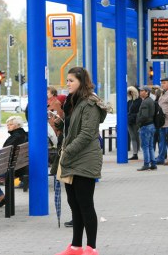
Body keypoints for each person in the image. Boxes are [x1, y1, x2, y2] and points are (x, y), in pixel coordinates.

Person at [55, 67, 110, 255]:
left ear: (81, 81)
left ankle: (91, 248)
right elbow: (73, 127)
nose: (67, 84)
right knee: (73, 202)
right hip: (71, 157)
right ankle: (75, 246)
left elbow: (87, 133)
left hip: (85, 158)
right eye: (67, 81)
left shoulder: (90, 104)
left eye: (71, 80)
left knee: (85, 203)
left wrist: (67, 151)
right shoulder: (73, 102)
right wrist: (60, 124)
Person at [136, 86, 156, 171]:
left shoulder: (145, 102)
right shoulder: (151, 101)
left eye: (142, 91)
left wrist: (139, 122)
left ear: (147, 92)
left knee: (145, 146)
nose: (140, 92)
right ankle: (153, 164)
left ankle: (146, 164)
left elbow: (144, 115)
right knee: (150, 146)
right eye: (140, 91)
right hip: (151, 125)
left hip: (145, 127)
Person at [127, 86, 142, 160]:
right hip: (129, 121)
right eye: (129, 92)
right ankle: (135, 153)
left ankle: (138, 150)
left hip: (136, 121)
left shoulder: (139, 101)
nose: (131, 94)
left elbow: (140, 112)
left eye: (132, 92)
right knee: (132, 137)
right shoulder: (129, 102)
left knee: (137, 136)